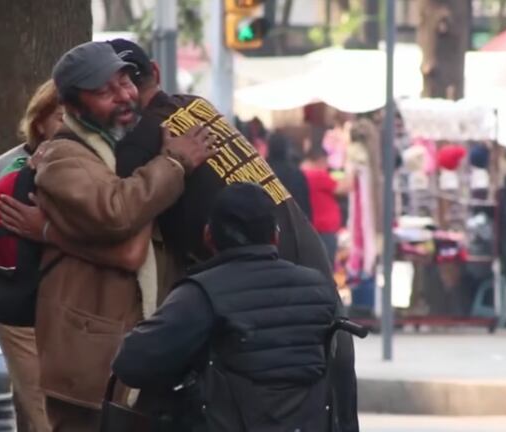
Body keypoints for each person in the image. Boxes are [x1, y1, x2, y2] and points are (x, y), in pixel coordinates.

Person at [108, 39, 360, 431]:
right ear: (156, 73)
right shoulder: (201, 107)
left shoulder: (144, 132)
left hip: (245, 282)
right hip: (310, 270)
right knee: (326, 391)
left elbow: (117, 207)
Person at [12, 41, 214, 431]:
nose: (124, 96)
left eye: (125, 82)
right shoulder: (62, 159)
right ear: (72, 106)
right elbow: (117, 213)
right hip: (90, 363)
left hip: (130, 351)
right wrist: (175, 163)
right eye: (105, 92)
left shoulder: (123, 146)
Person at [112, 182, 339, 431]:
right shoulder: (319, 289)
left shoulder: (200, 294)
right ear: (275, 236)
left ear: (209, 235)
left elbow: (131, 363)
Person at [0, 80, 62, 432]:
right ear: (40, 121)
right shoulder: (9, 166)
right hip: (21, 301)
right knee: (38, 402)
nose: (68, 127)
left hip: (69, 302)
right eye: (61, 117)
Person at [301, 146, 351, 265]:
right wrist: (351, 169)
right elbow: (343, 188)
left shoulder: (301, 174)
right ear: (320, 160)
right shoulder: (317, 174)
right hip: (324, 231)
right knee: (327, 268)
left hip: (311, 229)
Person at [266, 132, 312, 221]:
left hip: (271, 224)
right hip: (292, 223)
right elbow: (304, 203)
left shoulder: (264, 173)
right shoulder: (295, 173)